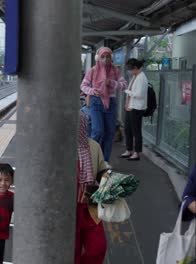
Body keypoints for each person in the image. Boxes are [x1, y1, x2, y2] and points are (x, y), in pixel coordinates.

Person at [81, 47, 127, 163]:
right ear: (98, 57)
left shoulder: (115, 71)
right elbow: (83, 86)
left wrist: (111, 83)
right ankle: (91, 159)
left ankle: (103, 161)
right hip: (96, 101)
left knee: (110, 132)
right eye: (103, 56)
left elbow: (124, 85)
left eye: (108, 56)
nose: (105, 59)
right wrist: (93, 91)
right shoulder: (92, 70)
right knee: (97, 130)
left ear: (111, 58)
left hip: (111, 102)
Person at [75, 112, 109, 264]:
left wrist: (107, 176)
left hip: (89, 206)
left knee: (98, 247)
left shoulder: (93, 146)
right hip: (67, 210)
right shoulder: (59, 149)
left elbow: (102, 168)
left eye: (82, 124)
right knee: (71, 250)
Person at [120, 59, 148, 161]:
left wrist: (127, 91)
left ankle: (136, 153)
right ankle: (129, 150)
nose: (129, 71)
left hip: (136, 108)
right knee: (128, 129)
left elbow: (139, 94)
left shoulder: (141, 78)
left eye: (130, 69)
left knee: (136, 131)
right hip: (130, 107)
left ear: (135, 68)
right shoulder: (136, 76)